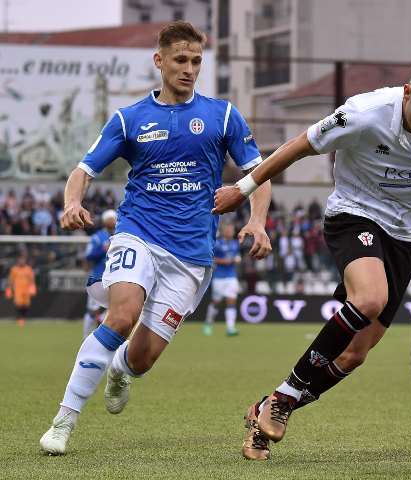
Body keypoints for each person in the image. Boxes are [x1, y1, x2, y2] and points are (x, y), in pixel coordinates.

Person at [213, 55, 411, 460]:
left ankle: (265, 409)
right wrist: (243, 188)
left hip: (406, 235)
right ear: (408, 92)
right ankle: (284, 394)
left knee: (355, 354)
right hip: (356, 214)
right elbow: (298, 146)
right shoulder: (364, 113)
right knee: (369, 300)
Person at [39, 21, 272, 456]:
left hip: (191, 255)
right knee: (122, 315)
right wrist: (73, 203)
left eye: (196, 61)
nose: (189, 69)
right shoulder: (129, 119)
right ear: (159, 60)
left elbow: (259, 174)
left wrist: (257, 221)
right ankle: (63, 422)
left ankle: (121, 370)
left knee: (143, 357)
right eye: (180, 60)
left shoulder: (222, 115)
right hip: (137, 233)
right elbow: (82, 171)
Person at [82, 209, 117, 338]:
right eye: (110, 218)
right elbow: (89, 256)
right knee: (92, 310)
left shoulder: (121, 236)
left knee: (115, 308)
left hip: (115, 278)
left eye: (114, 218)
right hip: (98, 278)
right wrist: (103, 249)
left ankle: (103, 331)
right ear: (105, 221)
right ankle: (85, 338)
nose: (112, 221)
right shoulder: (97, 237)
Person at [203, 222, 241, 336]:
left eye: (232, 230)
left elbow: (237, 256)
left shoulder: (235, 244)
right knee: (216, 302)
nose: (231, 232)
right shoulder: (217, 244)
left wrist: (237, 259)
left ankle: (230, 328)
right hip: (219, 277)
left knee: (232, 300)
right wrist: (224, 261)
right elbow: (211, 258)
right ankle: (208, 323)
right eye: (228, 230)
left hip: (231, 276)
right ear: (224, 231)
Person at [6, 254, 36, 326]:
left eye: (23, 260)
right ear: (18, 261)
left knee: (26, 304)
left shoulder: (28, 269)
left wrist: (33, 287)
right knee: (18, 304)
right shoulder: (14, 269)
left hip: (26, 289)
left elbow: (32, 279)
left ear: (25, 261)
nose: (21, 261)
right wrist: (9, 288)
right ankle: (19, 319)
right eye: (20, 260)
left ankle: (23, 318)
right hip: (18, 289)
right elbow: (11, 280)